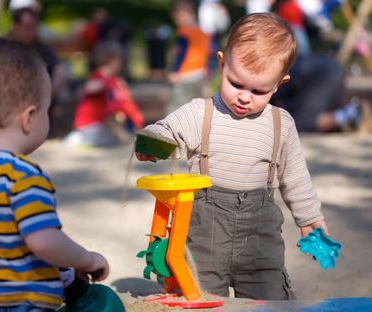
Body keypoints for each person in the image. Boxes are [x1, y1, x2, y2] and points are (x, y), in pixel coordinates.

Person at [136, 13, 329, 300]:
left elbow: (295, 177)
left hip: (260, 241)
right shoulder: (200, 113)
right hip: (204, 235)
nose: (244, 97)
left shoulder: (281, 123)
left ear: (279, 83)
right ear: (222, 64)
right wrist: (152, 144)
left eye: (259, 90)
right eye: (236, 83)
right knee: (200, 296)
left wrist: (309, 218)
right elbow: (167, 131)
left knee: (270, 300)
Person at [0, 38, 109, 310]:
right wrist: (87, 260)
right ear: (29, 117)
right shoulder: (22, 176)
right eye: (46, 109)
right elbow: (43, 242)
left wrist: (63, 275)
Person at [63, 42, 144, 147]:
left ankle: (123, 137)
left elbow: (123, 101)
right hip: (90, 125)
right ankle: (78, 138)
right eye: (119, 61)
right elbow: (89, 87)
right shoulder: (99, 77)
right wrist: (107, 83)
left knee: (116, 118)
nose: (120, 64)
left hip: (100, 124)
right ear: (112, 60)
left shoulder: (113, 80)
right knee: (108, 137)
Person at [8, 7, 67, 137]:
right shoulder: (2, 47)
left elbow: (60, 68)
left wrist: (48, 93)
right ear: (15, 26)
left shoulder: (40, 47)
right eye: (27, 27)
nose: (32, 31)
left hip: (39, 99)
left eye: (34, 27)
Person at [168, 0, 210, 113]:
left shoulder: (184, 32)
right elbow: (207, 53)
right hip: (199, 74)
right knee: (195, 109)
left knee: (175, 108)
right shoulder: (202, 33)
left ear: (181, 14)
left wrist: (175, 71)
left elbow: (180, 54)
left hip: (184, 75)